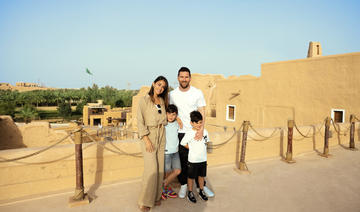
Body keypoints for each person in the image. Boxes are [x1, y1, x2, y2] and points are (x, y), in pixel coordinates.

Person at [169, 67, 214, 198]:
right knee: (183, 162)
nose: (184, 79)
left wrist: (200, 130)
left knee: (199, 161)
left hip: (195, 132)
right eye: (181, 77)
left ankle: (202, 186)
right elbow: (171, 110)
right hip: (181, 133)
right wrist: (177, 118)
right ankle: (184, 186)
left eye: (186, 77)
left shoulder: (197, 92)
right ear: (178, 78)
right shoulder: (172, 94)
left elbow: (202, 111)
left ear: (190, 78)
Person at [137, 76, 168, 212]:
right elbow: (139, 121)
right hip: (149, 135)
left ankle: (156, 197)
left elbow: (166, 117)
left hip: (162, 135)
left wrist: (177, 119)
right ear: (153, 83)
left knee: (160, 169)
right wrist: (146, 139)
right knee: (151, 169)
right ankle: (145, 201)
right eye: (159, 84)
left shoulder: (161, 100)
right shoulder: (144, 101)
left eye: (163, 87)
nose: (160, 88)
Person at [180, 110, 209, 203]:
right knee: (191, 177)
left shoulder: (205, 131)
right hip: (193, 160)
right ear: (191, 123)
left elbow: (207, 142)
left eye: (200, 122)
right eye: (196, 123)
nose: (198, 124)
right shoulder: (189, 133)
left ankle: (201, 191)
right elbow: (182, 143)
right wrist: (191, 148)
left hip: (203, 159)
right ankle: (190, 192)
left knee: (201, 176)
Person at [162, 104, 181, 200]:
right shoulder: (164, 124)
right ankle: (165, 189)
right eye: (168, 113)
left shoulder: (177, 123)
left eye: (173, 114)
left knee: (177, 171)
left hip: (176, 151)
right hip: (167, 152)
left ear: (176, 115)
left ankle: (162, 186)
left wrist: (179, 120)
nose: (170, 116)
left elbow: (182, 126)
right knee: (167, 173)